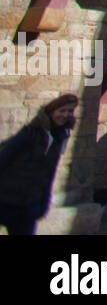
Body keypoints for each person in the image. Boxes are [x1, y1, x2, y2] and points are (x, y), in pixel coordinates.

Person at [0, 94, 78, 235]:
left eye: (70, 111)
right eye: (62, 110)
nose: (65, 115)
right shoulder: (30, 133)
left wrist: (44, 203)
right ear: (52, 111)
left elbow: (49, 173)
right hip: (5, 200)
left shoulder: (60, 138)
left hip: (28, 205)